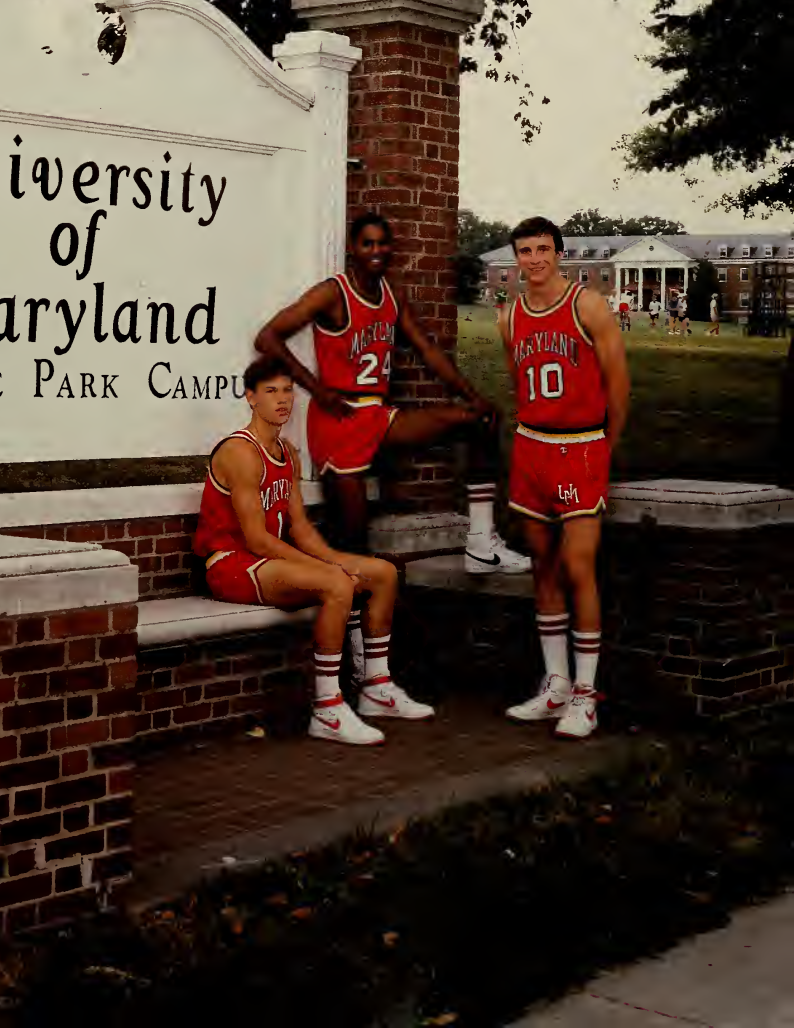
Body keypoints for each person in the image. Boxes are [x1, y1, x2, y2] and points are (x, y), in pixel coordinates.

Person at [254, 213, 530, 579]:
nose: (376, 250)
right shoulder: (333, 293)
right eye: (367, 243)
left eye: (382, 243)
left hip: (377, 416)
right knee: (352, 546)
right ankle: (350, 632)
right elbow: (268, 337)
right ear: (353, 248)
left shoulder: (390, 295)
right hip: (339, 421)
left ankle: (481, 544)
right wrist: (318, 390)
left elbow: (427, 351)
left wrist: (472, 396)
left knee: (480, 419)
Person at [192, 355, 434, 746]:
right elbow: (256, 538)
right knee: (337, 585)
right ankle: (328, 709)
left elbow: (300, 528)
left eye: (288, 390)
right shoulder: (240, 452)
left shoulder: (288, 453)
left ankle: (376, 687)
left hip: (269, 561)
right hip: (231, 564)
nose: (282, 399)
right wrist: (332, 572)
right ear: (251, 398)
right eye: (271, 391)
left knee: (383, 574)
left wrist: (337, 560)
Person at [498, 216, 630, 739]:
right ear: (516, 257)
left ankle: (586, 695)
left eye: (543, 249)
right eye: (525, 251)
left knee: (579, 566)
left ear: (559, 253)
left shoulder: (587, 305)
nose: (534, 259)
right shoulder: (508, 317)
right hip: (532, 447)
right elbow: (518, 384)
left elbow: (618, 386)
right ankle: (554, 685)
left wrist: (603, 447)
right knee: (543, 566)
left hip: (580, 447)